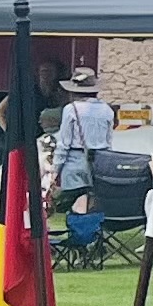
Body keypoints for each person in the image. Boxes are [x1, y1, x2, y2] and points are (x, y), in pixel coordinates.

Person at [52, 66, 115, 210]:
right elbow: (109, 142)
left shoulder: (71, 109)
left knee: (74, 205)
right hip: (99, 163)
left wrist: (55, 169)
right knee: (92, 204)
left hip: (74, 163)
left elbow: (64, 144)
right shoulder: (107, 109)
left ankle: (77, 223)